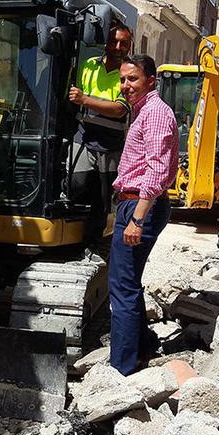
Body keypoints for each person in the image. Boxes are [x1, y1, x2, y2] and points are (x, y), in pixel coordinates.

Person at [108, 55, 178, 376]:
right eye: (123, 80)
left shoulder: (155, 114)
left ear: (151, 80)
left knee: (121, 287)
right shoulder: (142, 113)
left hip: (140, 207)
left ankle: (121, 367)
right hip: (136, 203)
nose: (126, 86)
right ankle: (143, 346)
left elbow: (157, 168)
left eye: (133, 79)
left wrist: (136, 219)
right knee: (129, 282)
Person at [67, 23, 133, 255]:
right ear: (105, 42)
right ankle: (74, 232)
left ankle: (92, 242)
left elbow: (118, 109)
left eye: (123, 43)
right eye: (114, 41)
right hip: (83, 137)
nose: (118, 47)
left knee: (103, 199)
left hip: (110, 145)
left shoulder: (127, 75)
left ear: (129, 45)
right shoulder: (89, 66)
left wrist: (84, 100)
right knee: (77, 184)